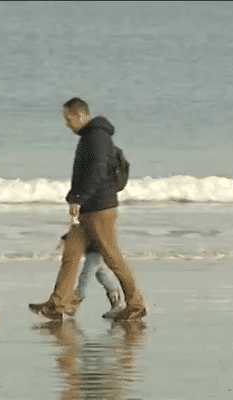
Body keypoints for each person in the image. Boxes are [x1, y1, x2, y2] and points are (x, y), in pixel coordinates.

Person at [29, 98, 146, 321]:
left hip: (100, 209)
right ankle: (58, 305)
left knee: (113, 259)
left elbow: (98, 171)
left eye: (69, 118)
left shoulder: (98, 137)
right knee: (70, 256)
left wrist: (80, 198)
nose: (67, 124)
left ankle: (136, 305)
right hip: (86, 209)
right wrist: (76, 201)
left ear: (82, 115)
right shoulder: (89, 136)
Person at [59, 232, 126, 319]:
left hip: (95, 247)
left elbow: (86, 226)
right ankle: (117, 304)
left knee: (86, 274)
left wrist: (66, 237)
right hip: (98, 246)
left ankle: (72, 305)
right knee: (101, 274)